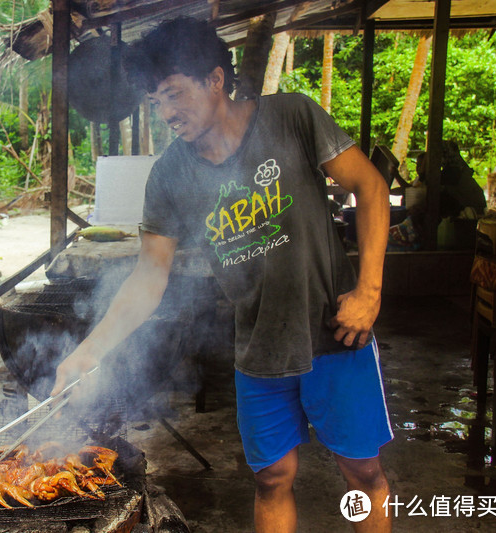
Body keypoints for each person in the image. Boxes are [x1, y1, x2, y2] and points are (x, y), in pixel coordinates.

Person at [52, 17, 392, 532]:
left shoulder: (292, 117)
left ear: (215, 79)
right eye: (156, 102)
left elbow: (369, 187)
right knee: (272, 477)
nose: (166, 113)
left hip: (334, 334)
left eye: (174, 95)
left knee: (362, 472)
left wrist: (369, 291)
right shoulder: (170, 175)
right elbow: (149, 276)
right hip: (258, 348)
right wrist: (87, 352)